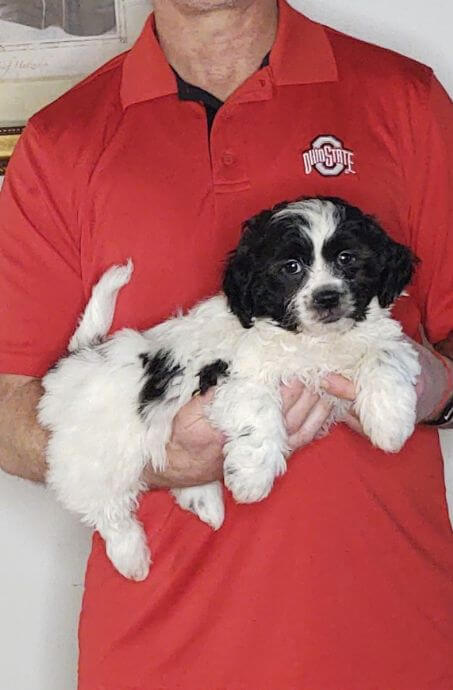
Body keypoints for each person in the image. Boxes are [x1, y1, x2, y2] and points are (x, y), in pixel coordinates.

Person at [0, 0, 452, 687]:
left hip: (390, 640)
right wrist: (154, 458)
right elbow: (5, 411)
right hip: (159, 653)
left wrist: (433, 388)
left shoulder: (404, 98)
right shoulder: (63, 139)